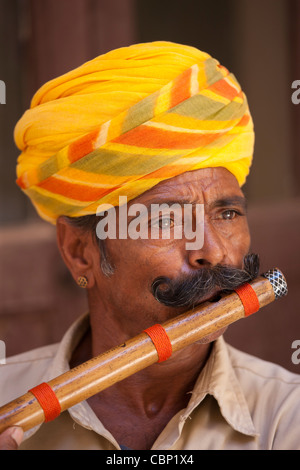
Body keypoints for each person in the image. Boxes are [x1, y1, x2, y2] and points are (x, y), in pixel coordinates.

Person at [0, 42, 299, 451]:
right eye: (166, 219)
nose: (212, 251)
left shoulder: (288, 418)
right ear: (79, 252)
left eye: (227, 213)